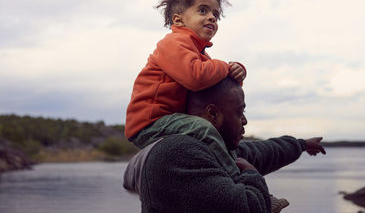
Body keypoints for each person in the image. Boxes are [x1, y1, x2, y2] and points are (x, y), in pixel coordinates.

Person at [123, 77, 326, 213]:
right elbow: (246, 208)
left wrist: (300, 144)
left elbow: (262, 152)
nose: (245, 120)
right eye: (240, 112)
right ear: (212, 114)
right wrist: (252, 175)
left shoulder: (212, 149)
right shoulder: (179, 153)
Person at [125, 0, 246, 177]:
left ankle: (236, 171)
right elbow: (195, 78)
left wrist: (237, 72)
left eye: (216, 14)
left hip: (173, 119)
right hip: (150, 122)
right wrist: (226, 66)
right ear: (179, 20)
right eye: (202, 10)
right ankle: (235, 181)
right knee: (204, 129)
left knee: (221, 131)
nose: (211, 17)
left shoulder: (199, 54)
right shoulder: (172, 43)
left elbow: (219, 91)